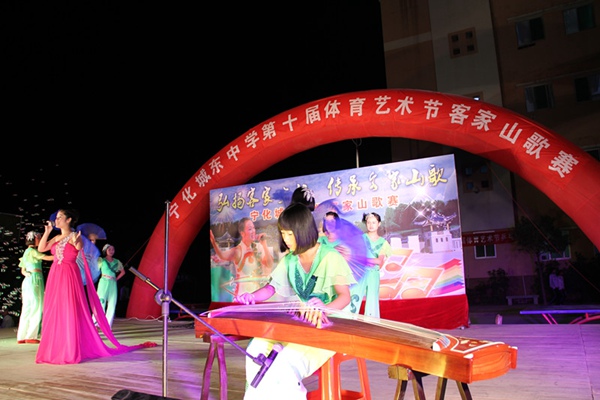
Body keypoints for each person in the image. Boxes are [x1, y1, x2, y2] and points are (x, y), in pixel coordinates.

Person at [235, 203, 357, 399]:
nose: (285, 239)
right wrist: (251, 297)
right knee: (255, 350)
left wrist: (325, 308)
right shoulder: (290, 260)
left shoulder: (330, 257)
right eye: (283, 233)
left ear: (303, 230)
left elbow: (345, 296)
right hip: (303, 323)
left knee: (285, 363)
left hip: (329, 327)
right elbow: (271, 288)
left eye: (289, 234)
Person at [36, 208, 155, 364]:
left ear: (69, 219)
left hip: (69, 274)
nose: (56, 219)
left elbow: (78, 248)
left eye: (60, 217)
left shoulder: (75, 236)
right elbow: (41, 248)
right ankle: (56, 347)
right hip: (55, 274)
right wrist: (47, 232)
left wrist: (77, 241)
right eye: (56, 217)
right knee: (55, 308)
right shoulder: (57, 237)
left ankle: (70, 349)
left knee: (69, 308)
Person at [210, 217, 274, 297]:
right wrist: (213, 242)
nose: (253, 231)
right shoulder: (238, 250)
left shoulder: (259, 247)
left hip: (257, 295)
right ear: (242, 233)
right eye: (250, 229)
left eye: (253, 228)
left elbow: (269, 264)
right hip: (242, 295)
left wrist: (264, 244)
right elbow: (222, 255)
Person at [17, 231, 52, 344]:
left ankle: (21, 336)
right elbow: (45, 257)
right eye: (39, 238)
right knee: (37, 306)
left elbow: (23, 269)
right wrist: (61, 255)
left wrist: (26, 273)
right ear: (35, 239)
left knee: (27, 307)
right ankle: (31, 335)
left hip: (28, 280)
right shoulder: (33, 251)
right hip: (35, 279)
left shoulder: (26, 252)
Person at [353, 212, 391, 318]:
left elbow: (379, 261)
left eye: (374, 222)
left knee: (372, 300)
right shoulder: (360, 239)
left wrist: (363, 260)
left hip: (373, 274)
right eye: (369, 222)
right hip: (360, 273)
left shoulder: (383, 242)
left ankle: (371, 323)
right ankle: (348, 322)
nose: (371, 225)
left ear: (379, 224)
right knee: (354, 296)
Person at [96, 244, 126, 327]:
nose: (111, 251)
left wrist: (116, 279)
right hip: (104, 281)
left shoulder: (117, 261)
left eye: (113, 249)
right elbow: (95, 269)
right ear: (105, 251)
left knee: (112, 303)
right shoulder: (101, 260)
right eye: (109, 249)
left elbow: (123, 272)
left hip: (112, 283)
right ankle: (97, 322)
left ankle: (108, 324)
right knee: (101, 301)